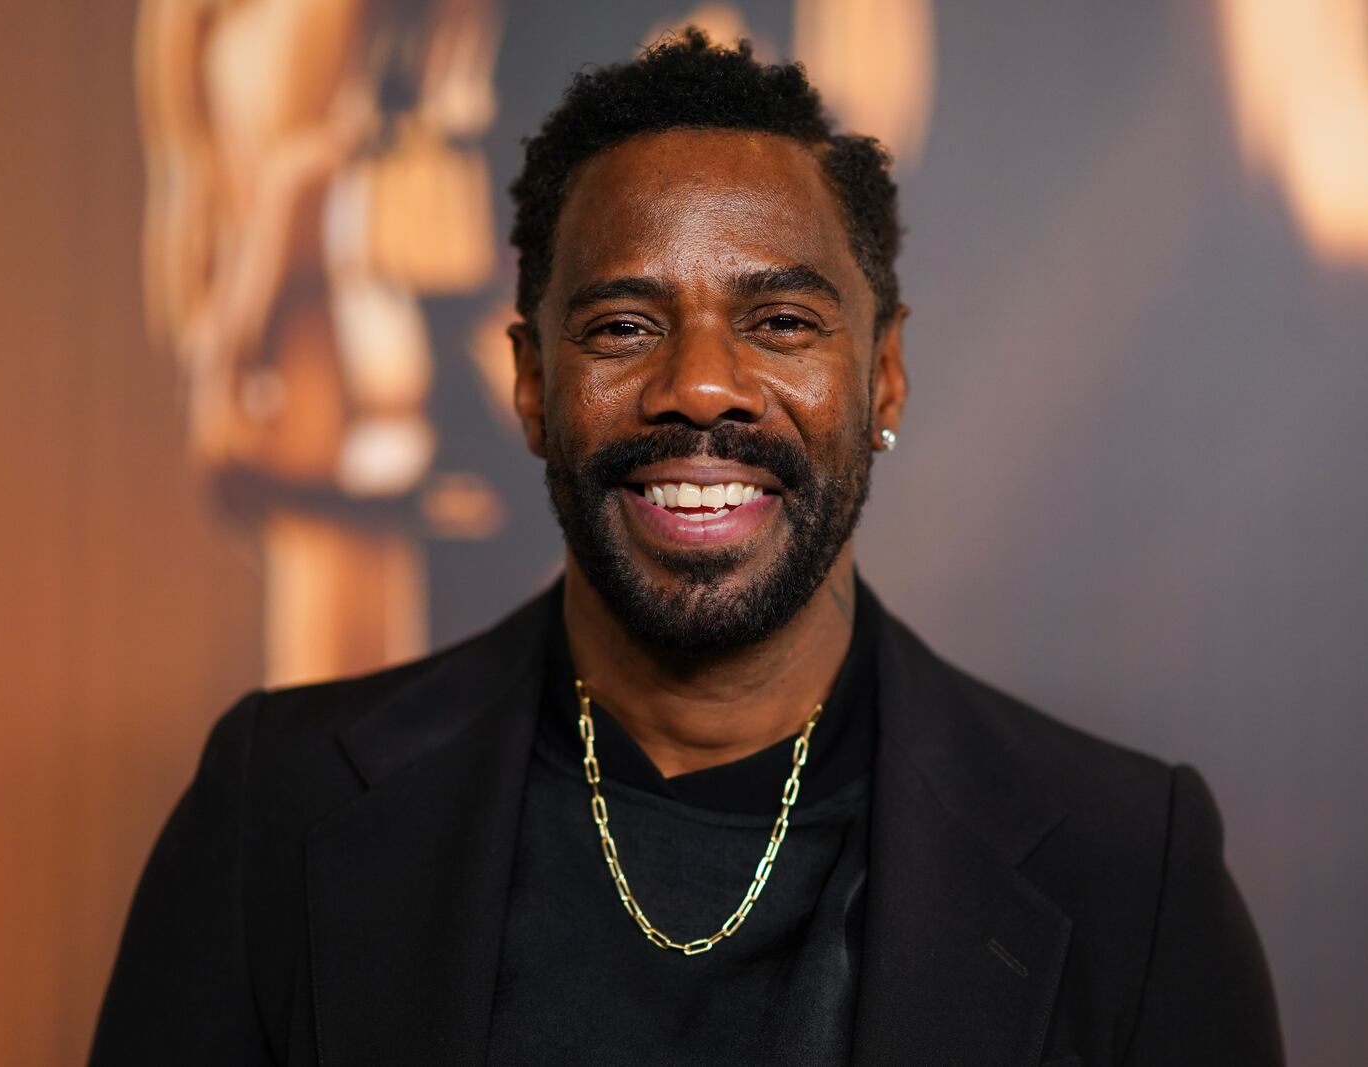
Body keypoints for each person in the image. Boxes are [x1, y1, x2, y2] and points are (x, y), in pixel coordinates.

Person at [91, 30, 1284, 1066]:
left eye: (779, 322)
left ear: (884, 373)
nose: (702, 383)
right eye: (622, 325)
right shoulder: (277, 812)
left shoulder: (1130, 865)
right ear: (530, 383)